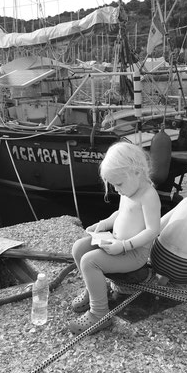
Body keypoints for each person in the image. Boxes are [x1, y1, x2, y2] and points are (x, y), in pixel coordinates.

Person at [70, 141, 161, 334]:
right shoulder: (129, 189)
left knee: (89, 261)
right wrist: (103, 224)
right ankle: (93, 291)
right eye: (113, 185)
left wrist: (125, 246)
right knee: (79, 247)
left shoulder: (148, 195)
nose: (116, 189)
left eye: (118, 184)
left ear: (136, 172)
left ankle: (99, 314)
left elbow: (153, 230)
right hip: (117, 244)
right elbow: (120, 213)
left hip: (133, 254)